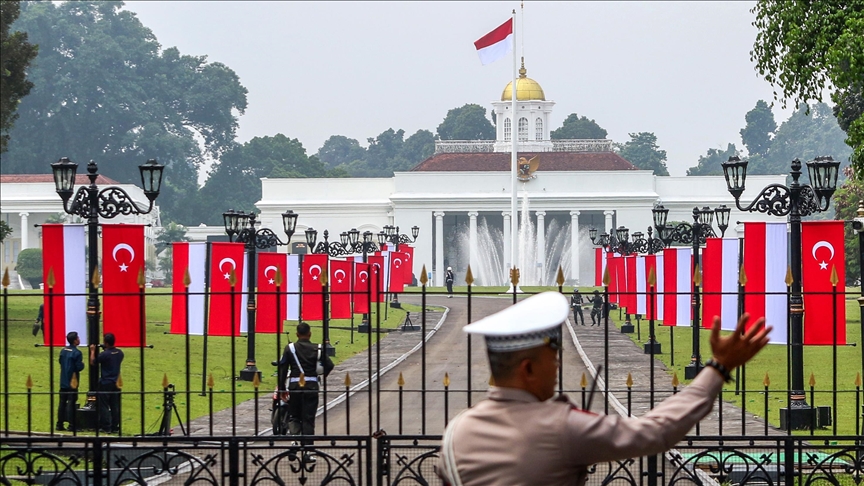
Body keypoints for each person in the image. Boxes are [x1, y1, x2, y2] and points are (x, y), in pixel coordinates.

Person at [436, 292, 770, 486]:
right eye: (553, 358)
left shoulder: (458, 431)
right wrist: (717, 369)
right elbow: (656, 432)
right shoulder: (559, 428)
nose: (558, 368)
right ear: (528, 368)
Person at [277, 322, 334, 462]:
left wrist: (281, 388)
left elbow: (283, 369)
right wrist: (320, 377)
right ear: (310, 334)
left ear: (297, 334)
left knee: (294, 416)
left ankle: (295, 442)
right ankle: (308, 451)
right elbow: (330, 365)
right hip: (311, 387)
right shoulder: (318, 349)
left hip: (295, 386)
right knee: (308, 419)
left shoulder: (289, 348)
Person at [90, 332, 124, 434]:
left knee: (104, 405)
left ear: (106, 343)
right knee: (115, 405)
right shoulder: (120, 353)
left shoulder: (104, 355)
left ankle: (106, 426)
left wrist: (92, 351)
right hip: (116, 382)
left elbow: (93, 362)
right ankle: (115, 426)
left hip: (106, 382)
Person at [57, 331, 84, 431]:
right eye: (78, 338)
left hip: (63, 380)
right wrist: (82, 364)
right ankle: (72, 425)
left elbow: (60, 361)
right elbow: (78, 367)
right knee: (71, 402)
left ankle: (59, 424)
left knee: (62, 403)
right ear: (74, 340)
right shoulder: (77, 353)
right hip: (73, 381)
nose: (79, 339)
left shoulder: (63, 351)